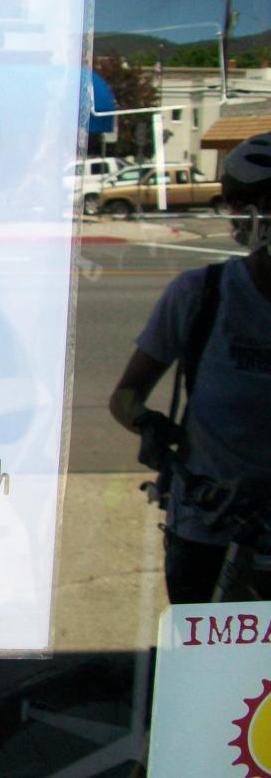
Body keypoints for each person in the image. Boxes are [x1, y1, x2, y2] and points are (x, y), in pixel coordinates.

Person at [109, 132, 271, 603]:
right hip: (207, 520)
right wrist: (148, 425)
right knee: (202, 653)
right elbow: (125, 395)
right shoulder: (201, 295)